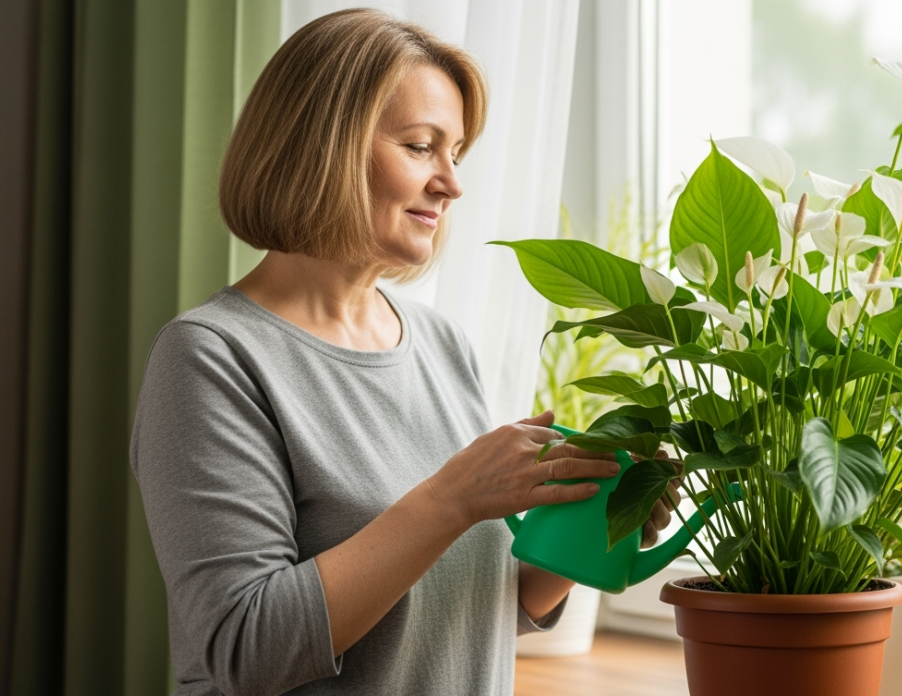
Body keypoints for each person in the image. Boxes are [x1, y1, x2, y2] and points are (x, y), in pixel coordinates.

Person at [130, 9, 675, 695]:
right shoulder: (211, 359)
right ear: (318, 146)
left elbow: (460, 614)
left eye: (457, 154)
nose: (451, 183)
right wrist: (451, 499)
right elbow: (246, 650)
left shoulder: (441, 345)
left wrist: (594, 517)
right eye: (422, 147)